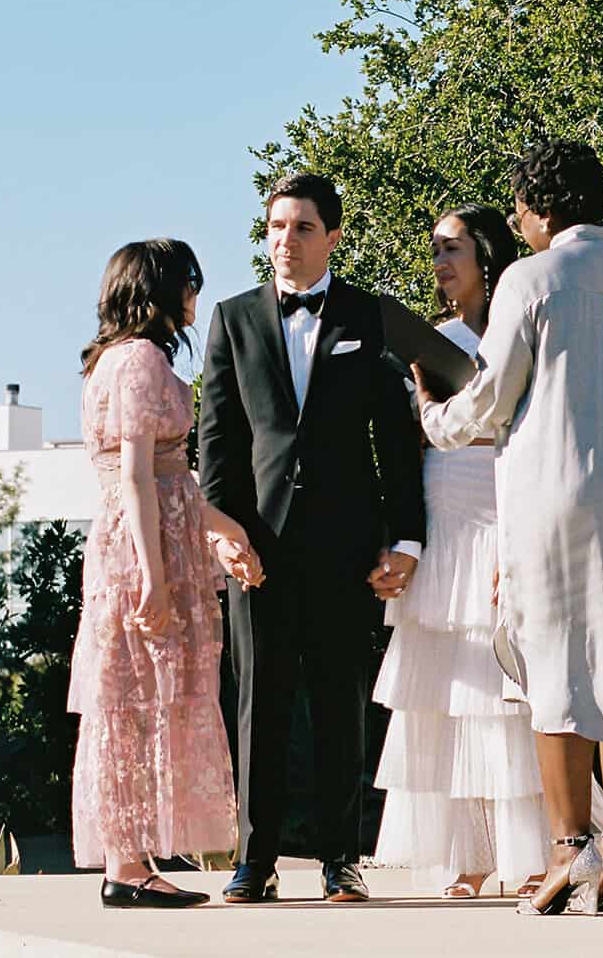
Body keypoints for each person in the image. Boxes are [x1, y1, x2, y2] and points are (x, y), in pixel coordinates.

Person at [414, 141, 603, 916]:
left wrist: (435, 416)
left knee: (553, 669)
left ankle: (570, 847)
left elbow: (494, 395)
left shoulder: (529, 280)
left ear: (540, 207)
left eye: (520, 207)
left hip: (553, 494)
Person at [199, 173, 426, 904]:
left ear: (332, 235)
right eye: (274, 227)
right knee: (257, 708)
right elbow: (217, 442)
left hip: (345, 546)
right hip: (257, 548)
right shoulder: (232, 320)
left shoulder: (369, 315)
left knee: (340, 705)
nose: (284, 241)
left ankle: (340, 860)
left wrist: (407, 540)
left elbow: (397, 439)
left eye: (300, 228)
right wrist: (222, 535)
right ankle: (253, 863)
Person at [70, 239, 265, 909]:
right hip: (141, 547)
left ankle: (130, 861)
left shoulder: (110, 361)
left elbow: (163, 476)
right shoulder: (142, 360)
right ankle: (127, 867)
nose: (194, 297)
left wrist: (219, 531)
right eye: (188, 283)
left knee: (131, 696)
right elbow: (135, 475)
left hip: (142, 537)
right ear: (159, 290)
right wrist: (154, 576)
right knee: (141, 695)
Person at [372, 204, 548, 899]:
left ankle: (529, 850)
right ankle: (468, 855)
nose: (442, 263)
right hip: (446, 507)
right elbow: (403, 444)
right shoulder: (428, 341)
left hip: (512, 500)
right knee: (453, 689)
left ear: (486, 254)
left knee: (512, 691)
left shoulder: (524, 328)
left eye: (453, 249)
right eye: (436, 251)